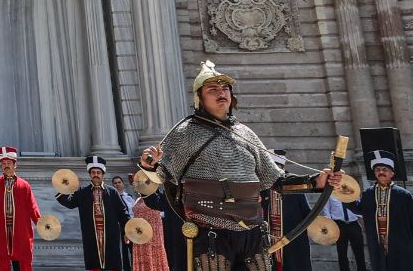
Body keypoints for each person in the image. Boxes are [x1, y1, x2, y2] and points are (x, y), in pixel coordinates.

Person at [139, 62, 340, 271]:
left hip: (252, 232)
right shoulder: (183, 133)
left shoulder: (245, 132)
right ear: (199, 98)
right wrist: (149, 166)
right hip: (210, 232)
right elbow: (162, 175)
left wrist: (315, 181)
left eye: (225, 89)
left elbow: (275, 180)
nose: (221, 93)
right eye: (213, 89)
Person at [58, 158, 130, 271]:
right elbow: (69, 203)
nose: (96, 175)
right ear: (90, 174)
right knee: (94, 264)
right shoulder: (82, 192)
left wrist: (127, 231)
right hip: (92, 235)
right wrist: (64, 186)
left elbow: (123, 212)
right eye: (93, 172)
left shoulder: (112, 191)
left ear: (103, 174)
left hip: (110, 235)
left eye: (98, 172)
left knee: (112, 263)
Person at [349, 151, 412, 271]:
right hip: (377, 243)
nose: (381, 172)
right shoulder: (368, 194)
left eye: (385, 169)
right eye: (378, 169)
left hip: (400, 244)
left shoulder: (403, 195)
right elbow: (359, 209)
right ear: (374, 173)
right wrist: (344, 196)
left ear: (392, 173)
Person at [265, 152, 311, 271]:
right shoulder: (263, 185)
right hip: (268, 240)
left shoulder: (294, 184)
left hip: (292, 238)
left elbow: (306, 212)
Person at [131, 184, 171, 271]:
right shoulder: (138, 199)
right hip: (139, 233)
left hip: (153, 232)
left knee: (153, 253)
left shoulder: (155, 198)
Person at [326, 195, 369, 271]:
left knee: (359, 251)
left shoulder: (352, 190)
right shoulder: (330, 193)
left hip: (354, 224)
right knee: (342, 252)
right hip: (339, 225)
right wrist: (330, 227)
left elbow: (359, 207)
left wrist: (362, 221)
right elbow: (326, 210)